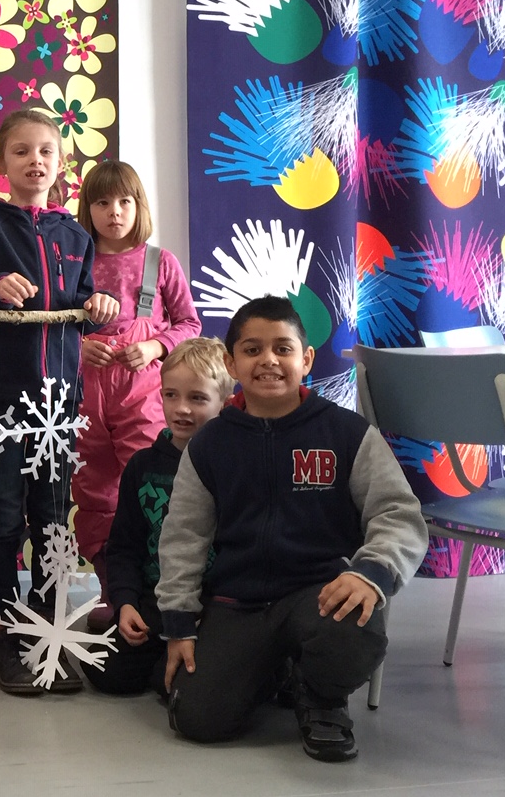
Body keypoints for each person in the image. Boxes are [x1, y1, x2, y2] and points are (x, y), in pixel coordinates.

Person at [157, 296, 428, 762]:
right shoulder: (209, 445)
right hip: (238, 601)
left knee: (355, 629)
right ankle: (274, 669)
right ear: (231, 364)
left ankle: (321, 698)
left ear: (306, 359)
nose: (268, 360)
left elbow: (397, 513)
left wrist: (371, 573)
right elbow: (184, 536)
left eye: (283, 348)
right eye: (252, 349)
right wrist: (179, 624)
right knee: (198, 720)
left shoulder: (347, 433)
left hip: (318, 594)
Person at [0, 108, 119, 696]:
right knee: (4, 519)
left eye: (45, 151)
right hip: (0, 400)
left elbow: (81, 311)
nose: (34, 161)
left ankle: (48, 634)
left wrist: (99, 308)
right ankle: (9, 636)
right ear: (2, 162)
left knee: (52, 519)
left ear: (60, 162)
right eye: (21, 151)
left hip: (59, 404)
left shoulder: (76, 234)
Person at [71, 161, 201, 619]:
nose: (114, 212)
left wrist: (154, 346)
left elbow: (189, 324)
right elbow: (53, 325)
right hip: (84, 395)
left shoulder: (159, 262)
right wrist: (79, 346)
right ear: (87, 209)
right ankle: (115, 591)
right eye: (102, 202)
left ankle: (160, 591)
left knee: (150, 485)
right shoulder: (74, 262)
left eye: (124, 201)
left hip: (142, 395)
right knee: (93, 493)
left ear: (139, 206)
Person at [82, 338, 230, 697]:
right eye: (171, 395)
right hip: (155, 598)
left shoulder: (231, 466)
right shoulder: (142, 466)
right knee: (105, 671)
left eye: (198, 398)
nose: (182, 409)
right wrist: (126, 603)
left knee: (186, 685)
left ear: (224, 403)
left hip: (212, 605)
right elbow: (124, 546)